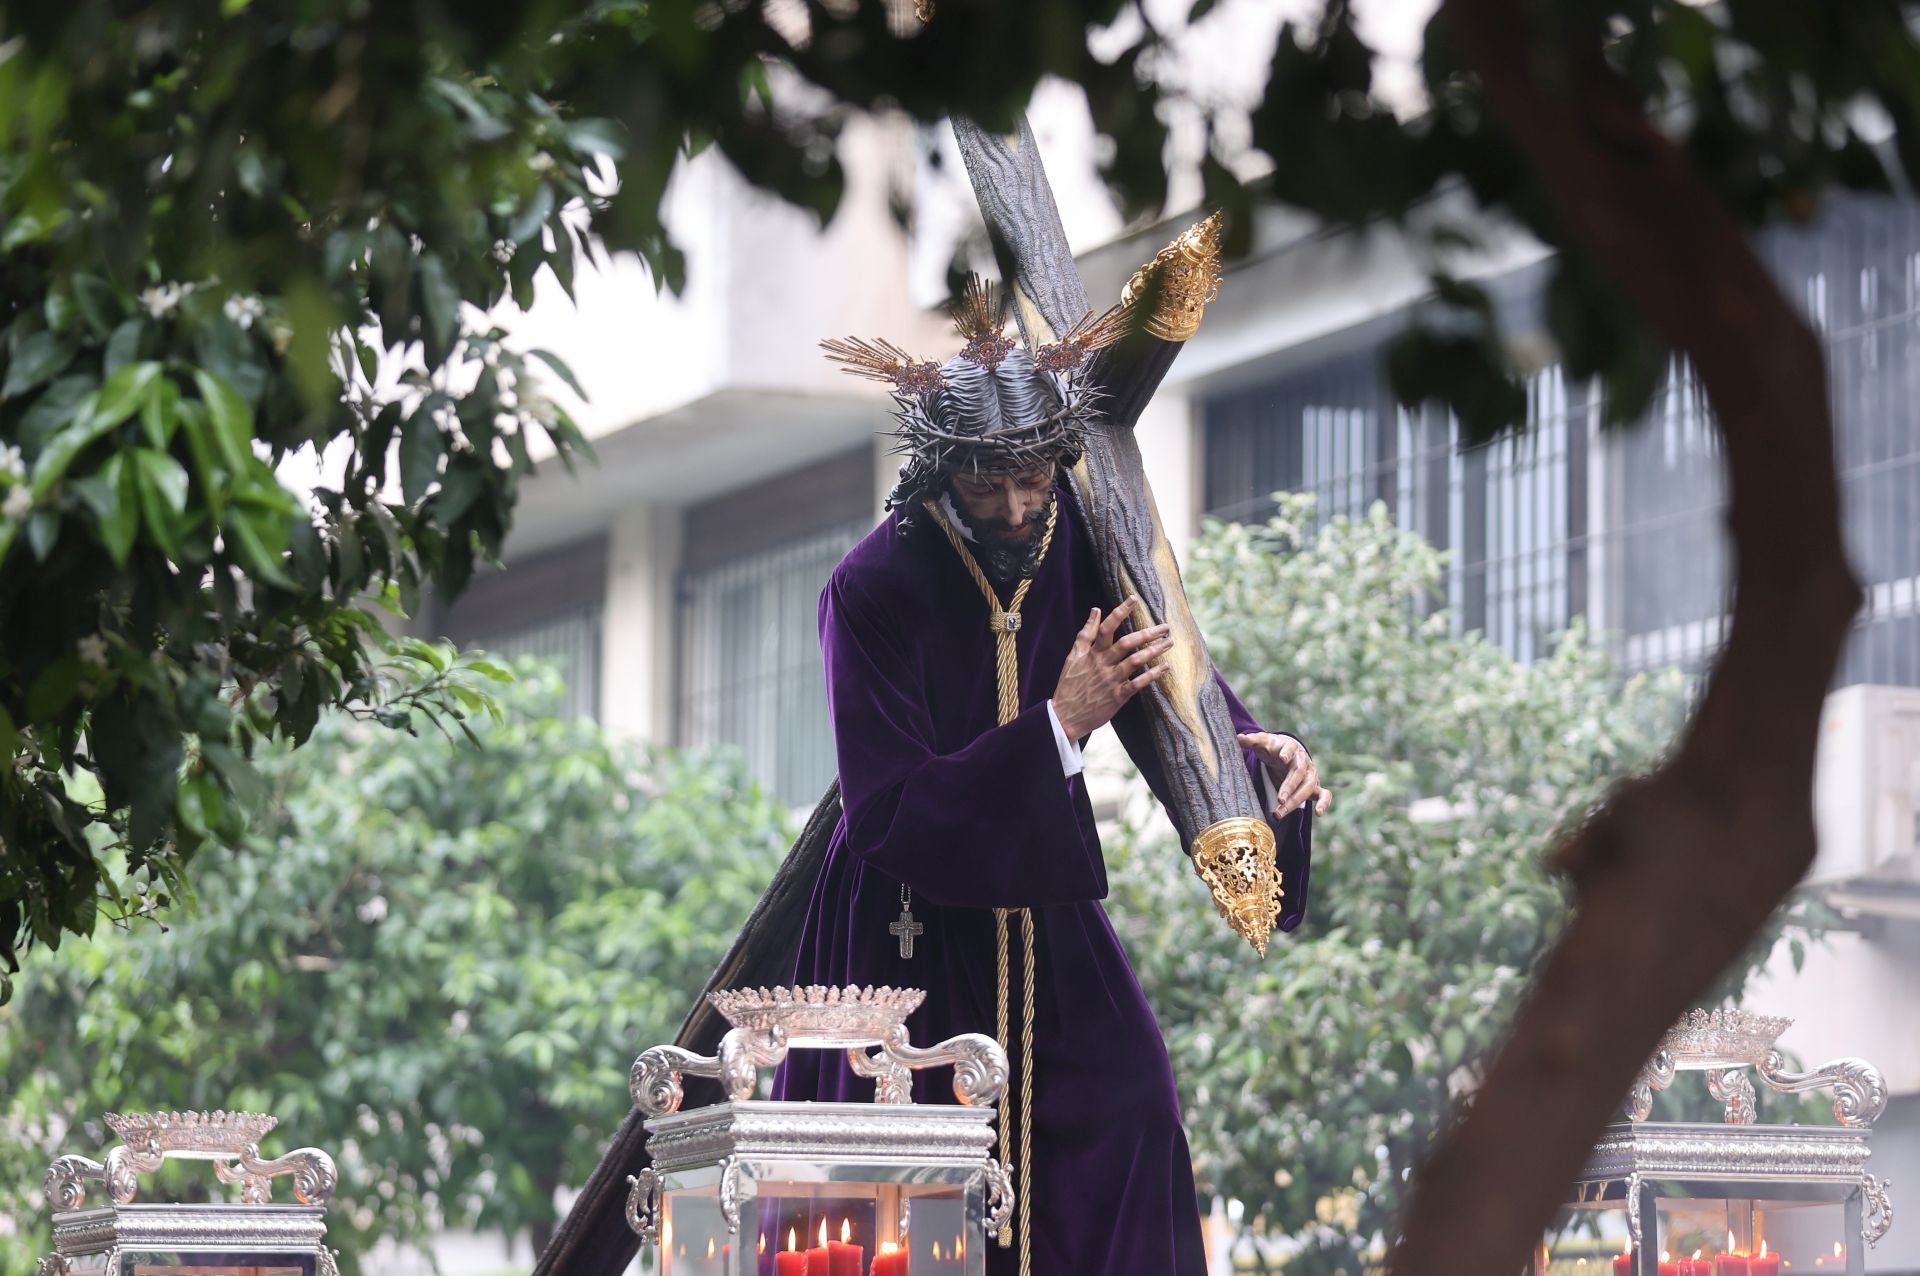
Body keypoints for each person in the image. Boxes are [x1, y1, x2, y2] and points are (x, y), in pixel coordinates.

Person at [771, 281, 1330, 1276]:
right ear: (943, 470)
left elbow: (1172, 675)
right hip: (901, 928)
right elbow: (889, 811)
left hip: (1041, 910)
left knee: (1133, 1105)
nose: (1020, 504)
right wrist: (1061, 723)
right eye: (991, 484)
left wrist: (1260, 770)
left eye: (1035, 477)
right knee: (900, 1183)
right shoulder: (870, 586)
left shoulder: (1078, 535)